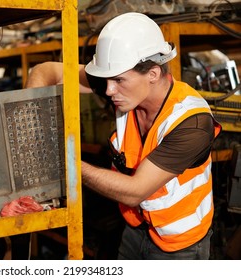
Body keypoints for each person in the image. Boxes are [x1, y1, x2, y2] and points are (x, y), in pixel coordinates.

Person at [25, 12, 222, 260]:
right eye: (107, 79)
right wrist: (33, 120)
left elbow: (136, 190)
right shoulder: (124, 88)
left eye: (118, 80)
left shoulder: (192, 124)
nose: (108, 91)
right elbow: (47, 70)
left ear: (153, 73)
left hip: (179, 245)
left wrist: (64, 162)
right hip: (134, 229)